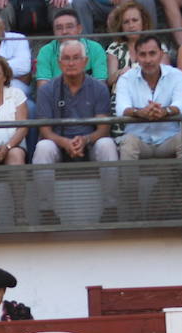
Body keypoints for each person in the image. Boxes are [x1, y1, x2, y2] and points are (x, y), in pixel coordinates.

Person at [32, 39, 116, 216]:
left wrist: (85, 140)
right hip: (58, 144)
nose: (71, 63)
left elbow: (103, 128)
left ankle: (111, 208)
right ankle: (46, 211)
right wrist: (65, 143)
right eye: (66, 58)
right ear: (59, 63)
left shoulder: (99, 88)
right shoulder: (47, 90)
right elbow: (45, 130)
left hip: (90, 143)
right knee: (42, 147)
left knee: (107, 144)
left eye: (76, 58)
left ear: (85, 62)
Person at [115, 34, 182, 161]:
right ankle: (128, 183)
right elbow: (121, 109)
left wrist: (165, 111)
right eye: (143, 54)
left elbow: (181, 105)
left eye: (152, 53)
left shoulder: (176, 75)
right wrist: (140, 112)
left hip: (168, 138)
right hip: (139, 139)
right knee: (128, 143)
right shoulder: (126, 79)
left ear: (161, 54)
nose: (148, 60)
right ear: (136, 56)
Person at [33, 8, 107, 88]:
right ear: (54, 32)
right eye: (59, 28)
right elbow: (43, 88)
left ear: (79, 29)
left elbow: (100, 85)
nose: (64, 31)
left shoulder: (95, 49)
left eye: (69, 27)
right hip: (56, 99)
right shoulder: (46, 51)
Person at [77, 0, 158, 46]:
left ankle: (150, 43)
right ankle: (85, 51)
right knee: (79, 3)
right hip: (97, 4)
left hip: (128, 1)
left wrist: (120, 6)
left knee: (147, 1)